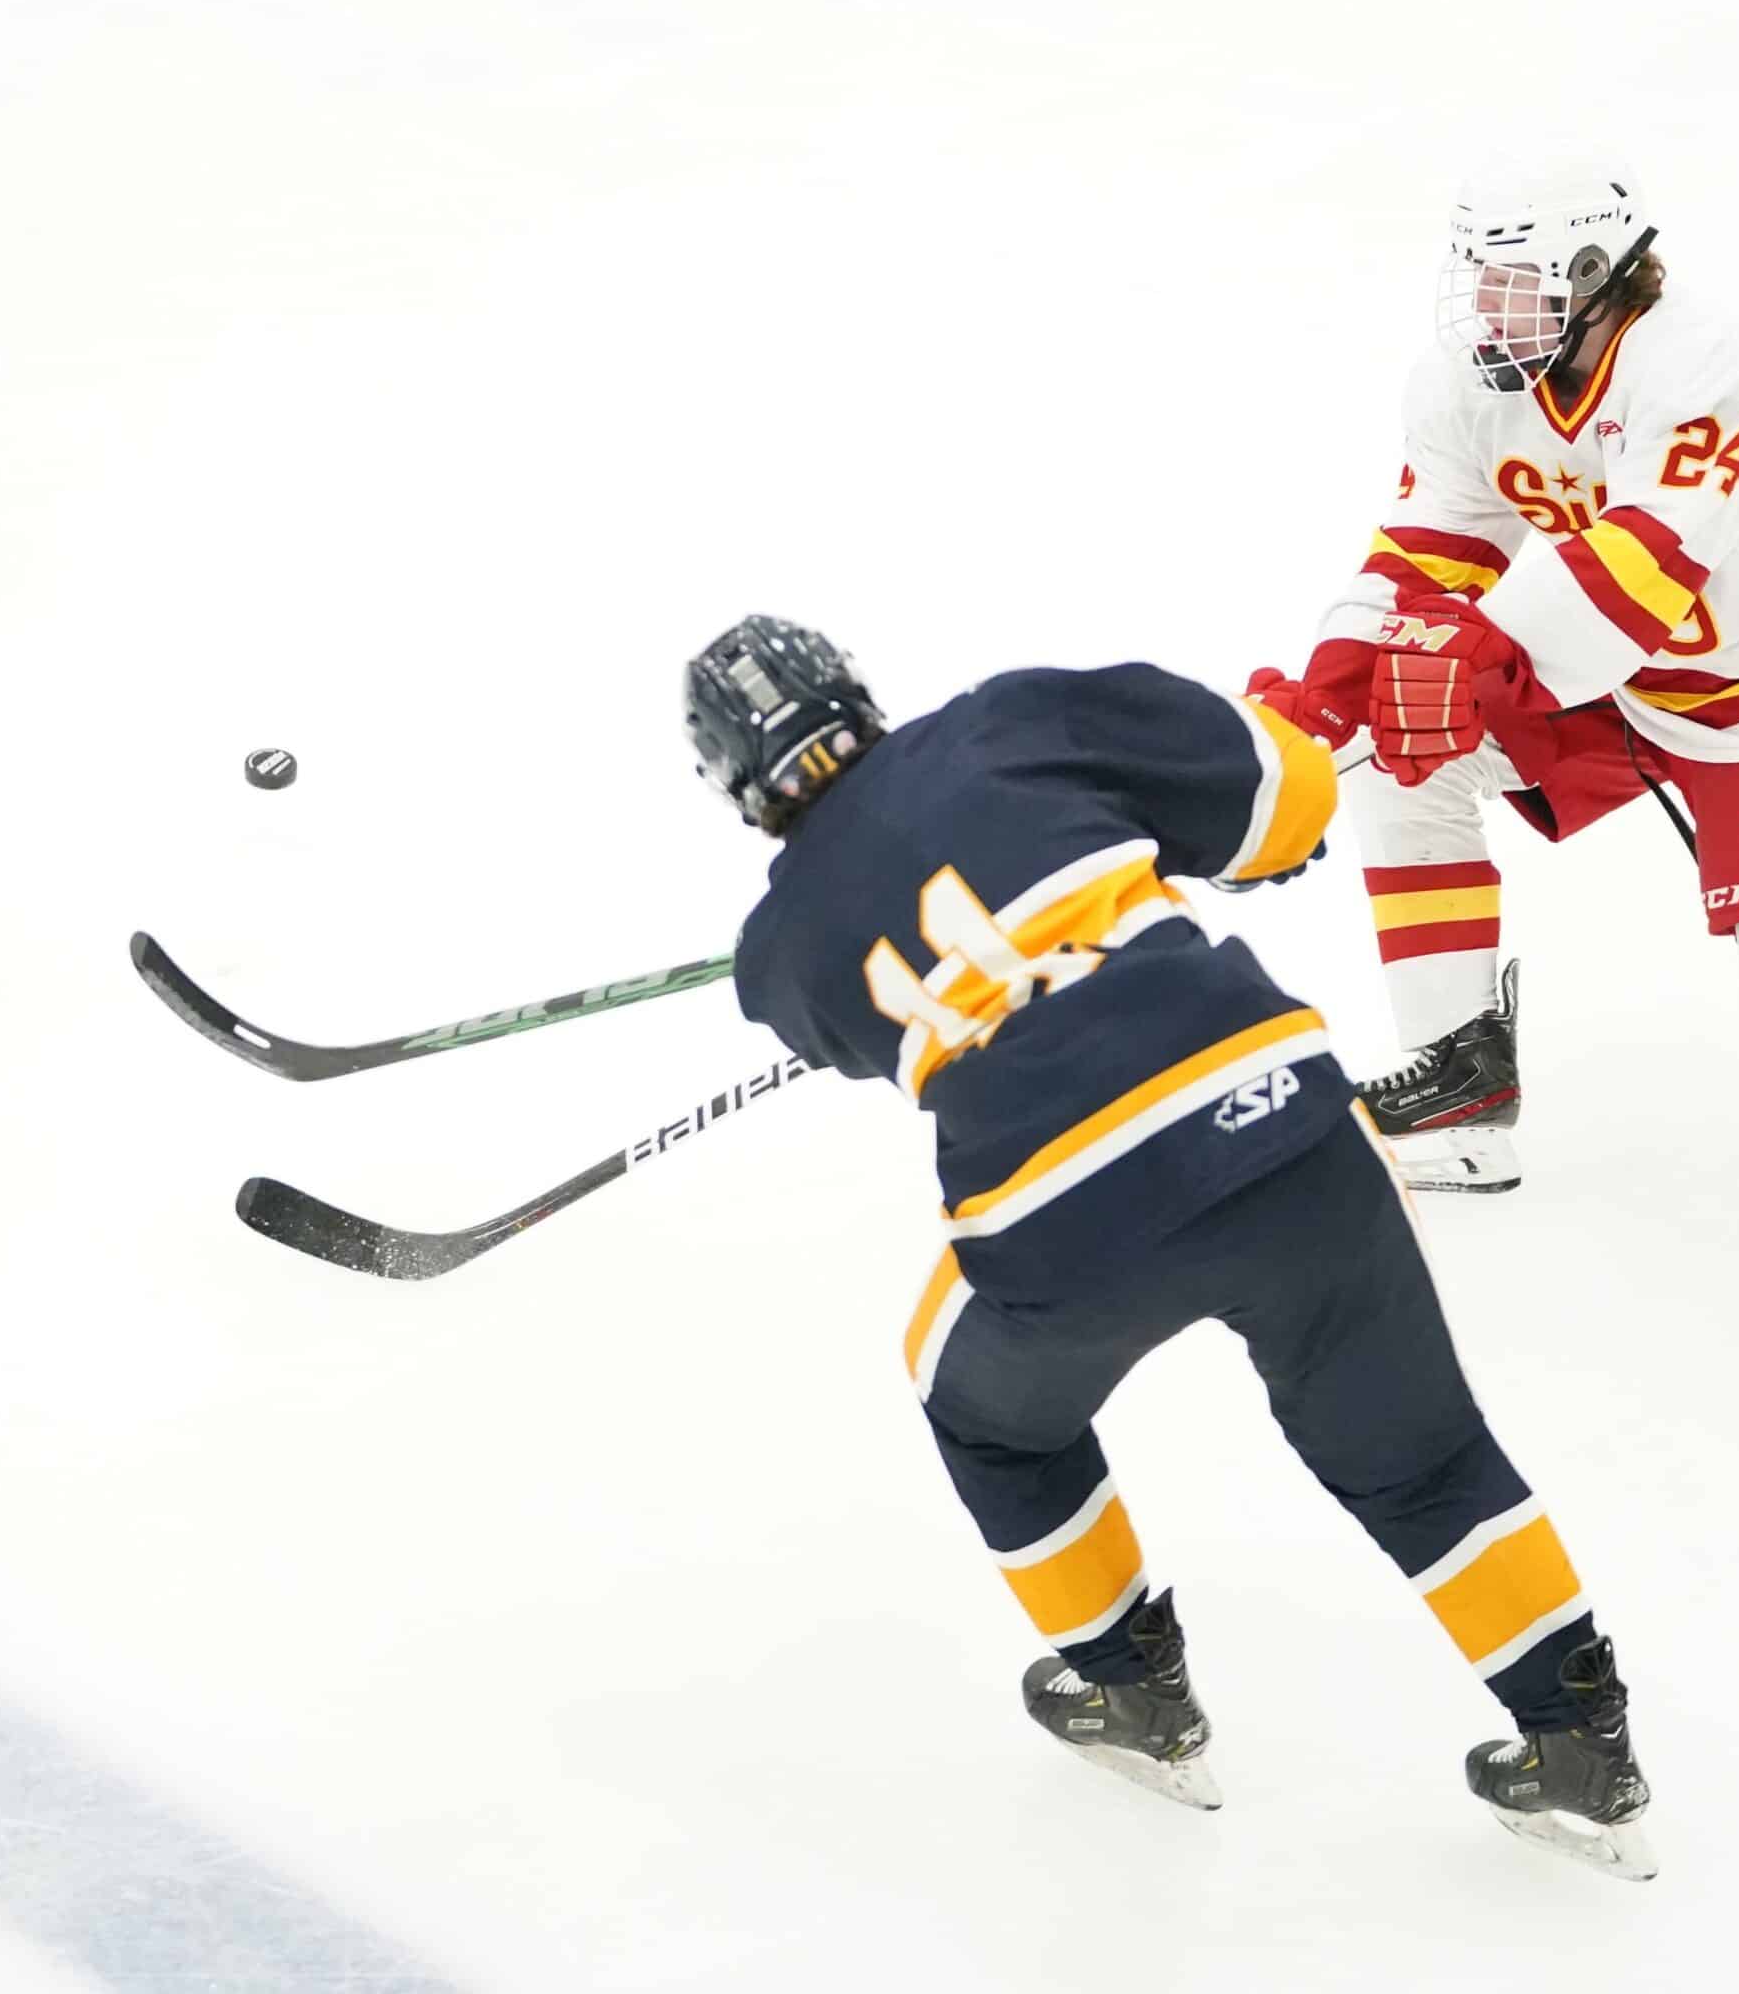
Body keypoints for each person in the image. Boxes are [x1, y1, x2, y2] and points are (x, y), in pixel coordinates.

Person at [689, 614, 1656, 1875]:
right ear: (855, 691)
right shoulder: (1014, 719)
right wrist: (1229, 839)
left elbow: (847, 1027)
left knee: (980, 1407)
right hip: (1281, 1120)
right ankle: (1580, 1741)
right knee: (1419, 1455)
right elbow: (1287, 798)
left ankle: (1128, 1685)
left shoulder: (778, 954)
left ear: (736, 786)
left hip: (1061, 1217)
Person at [1249, 159, 1739, 1366]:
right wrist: (1320, 698)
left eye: (1511, 283)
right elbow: (1418, 556)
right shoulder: (1467, 386)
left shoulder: (1708, 362)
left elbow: (1642, 569)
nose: (1484, 308)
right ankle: (1460, 1088)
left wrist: (1470, 658)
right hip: (1609, 667)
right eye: (1476, 279)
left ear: (1591, 275)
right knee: (1400, 761)